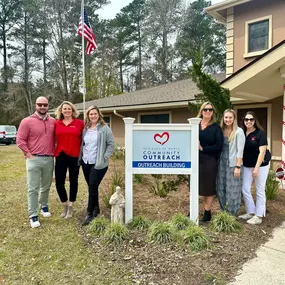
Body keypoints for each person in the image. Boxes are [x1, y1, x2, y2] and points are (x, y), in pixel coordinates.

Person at [17, 96, 55, 228]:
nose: (43, 107)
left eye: (45, 105)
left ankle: (43, 206)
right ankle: (33, 215)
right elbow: (20, 139)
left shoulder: (53, 121)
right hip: (34, 159)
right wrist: (28, 154)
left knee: (46, 185)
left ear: (48, 106)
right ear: (35, 105)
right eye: (40, 105)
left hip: (49, 158)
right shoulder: (27, 121)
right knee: (33, 188)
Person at [79, 105, 115, 225]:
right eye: (91, 114)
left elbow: (111, 144)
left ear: (99, 115)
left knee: (92, 187)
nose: (93, 116)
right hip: (86, 162)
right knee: (92, 187)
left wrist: (104, 156)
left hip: (99, 164)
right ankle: (96, 210)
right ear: (88, 116)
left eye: (95, 113)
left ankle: (89, 213)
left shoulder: (105, 128)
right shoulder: (85, 128)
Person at [238, 111, 270, 225]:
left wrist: (256, 168)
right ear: (244, 121)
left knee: (260, 189)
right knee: (245, 188)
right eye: (246, 119)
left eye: (251, 119)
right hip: (247, 165)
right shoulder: (242, 133)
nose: (249, 121)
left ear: (254, 121)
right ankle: (251, 212)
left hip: (260, 165)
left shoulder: (260, 133)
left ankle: (259, 215)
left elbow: (262, 152)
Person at [54, 101, 84, 218]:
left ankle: (71, 206)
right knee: (59, 182)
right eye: (64, 109)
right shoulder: (57, 123)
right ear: (61, 111)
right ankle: (65, 204)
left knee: (73, 181)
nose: (67, 111)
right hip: (61, 155)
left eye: (69, 109)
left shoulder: (79, 123)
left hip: (74, 155)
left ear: (72, 110)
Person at [197, 102, 223, 222]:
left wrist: (203, 148)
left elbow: (219, 146)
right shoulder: (195, 124)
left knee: (208, 187)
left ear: (213, 112)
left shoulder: (216, 127)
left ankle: (207, 213)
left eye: (210, 110)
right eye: (205, 109)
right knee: (195, 185)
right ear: (201, 111)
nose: (208, 112)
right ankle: (193, 211)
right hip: (195, 159)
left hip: (209, 160)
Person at [216, 109, 245, 216]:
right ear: (223, 118)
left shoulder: (239, 131)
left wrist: (238, 167)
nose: (228, 119)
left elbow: (240, 151)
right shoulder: (220, 130)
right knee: (221, 187)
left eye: (230, 117)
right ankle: (224, 212)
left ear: (234, 119)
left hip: (233, 164)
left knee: (233, 189)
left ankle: (232, 214)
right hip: (221, 164)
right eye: (226, 117)